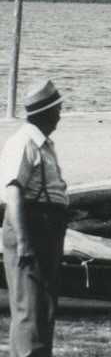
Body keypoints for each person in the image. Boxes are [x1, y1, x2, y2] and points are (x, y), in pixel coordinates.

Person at [0, 80, 69, 357]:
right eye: (58, 110)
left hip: (45, 227)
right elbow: (13, 193)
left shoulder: (41, 143)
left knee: (43, 307)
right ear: (46, 113)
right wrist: (25, 241)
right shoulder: (24, 143)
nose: (60, 116)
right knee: (30, 309)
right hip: (31, 227)